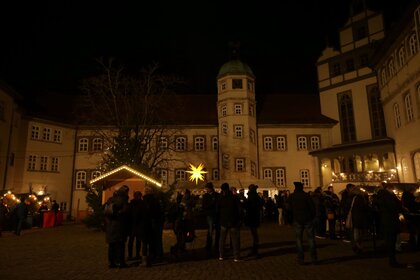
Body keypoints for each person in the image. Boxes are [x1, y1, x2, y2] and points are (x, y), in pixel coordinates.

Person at [374, 184, 405, 267]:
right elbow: (394, 207)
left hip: (386, 220)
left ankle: (392, 259)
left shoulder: (380, 196)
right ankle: (392, 261)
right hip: (391, 220)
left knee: (390, 240)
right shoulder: (388, 196)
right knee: (392, 240)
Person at [287, 182, 317, 265]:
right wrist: (312, 217)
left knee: (299, 240)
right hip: (308, 219)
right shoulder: (306, 195)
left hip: (297, 219)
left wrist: (289, 219)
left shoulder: (292, 196)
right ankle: (313, 258)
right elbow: (312, 207)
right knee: (311, 239)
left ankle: (301, 259)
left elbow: (288, 208)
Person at [104, 185, 130, 269]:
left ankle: (111, 262)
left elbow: (105, 211)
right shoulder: (124, 199)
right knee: (121, 244)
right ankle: (121, 262)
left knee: (112, 245)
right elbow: (125, 212)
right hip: (119, 225)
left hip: (110, 226)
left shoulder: (110, 199)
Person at [218, 182, 242, 262]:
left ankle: (221, 255)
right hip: (233, 221)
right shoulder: (234, 197)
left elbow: (217, 210)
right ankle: (236, 257)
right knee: (235, 240)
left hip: (223, 221)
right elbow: (239, 209)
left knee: (222, 240)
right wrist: (239, 219)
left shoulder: (220, 198)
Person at [142, 186, 162, 267]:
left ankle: (144, 259)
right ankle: (152, 258)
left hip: (144, 224)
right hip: (153, 223)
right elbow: (158, 213)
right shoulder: (155, 201)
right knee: (151, 242)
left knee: (144, 242)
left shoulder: (143, 202)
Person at [244, 184, 263, 258]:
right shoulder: (256, 196)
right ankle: (255, 250)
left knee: (254, 235)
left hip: (252, 217)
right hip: (255, 217)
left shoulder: (252, 196)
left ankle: (255, 251)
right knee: (254, 234)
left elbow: (249, 206)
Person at [201, 182, 220, 257]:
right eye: (207, 188)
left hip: (216, 215)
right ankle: (208, 245)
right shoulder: (205, 196)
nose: (207, 189)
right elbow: (204, 206)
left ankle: (216, 245)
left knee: (217, 231)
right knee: (210, 230)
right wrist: (211, 203)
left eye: (208, 188)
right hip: (210, 215)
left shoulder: (217, 195)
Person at [349, 186, 369, 254]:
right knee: (359, 233)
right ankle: (358, 246)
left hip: (355, 217)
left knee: (356, 232)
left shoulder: (353, 198)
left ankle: (357, 246)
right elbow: (363, 207)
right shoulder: (359, 198)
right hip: (359, 217)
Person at [401, 186, 420, 251]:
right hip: (414, 216)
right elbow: (414, 206)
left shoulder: (406, 197)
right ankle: (415, 245)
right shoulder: (411, 198)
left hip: (410, 216)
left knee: (412, 231)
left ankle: (413, 244)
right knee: (415, 231)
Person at [127, 191, 144, 261]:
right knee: (133, 241)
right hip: (134, 225)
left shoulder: (131, 204)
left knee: (136, 241)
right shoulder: (139, 204)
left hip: (135, 225)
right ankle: (133, 255)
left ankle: (135, 254)